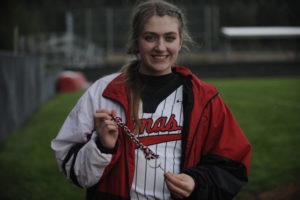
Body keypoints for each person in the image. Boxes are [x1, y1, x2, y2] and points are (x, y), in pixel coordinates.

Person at [51, 0, 251, 199]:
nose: (160, 47)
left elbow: (233, 166)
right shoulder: (103, 92)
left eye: (170, 38)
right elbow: (70, 163)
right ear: (136, 41)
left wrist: (197, 182)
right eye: (150, 37)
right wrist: (102, 147)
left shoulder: (204, 97)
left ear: (180, 42)